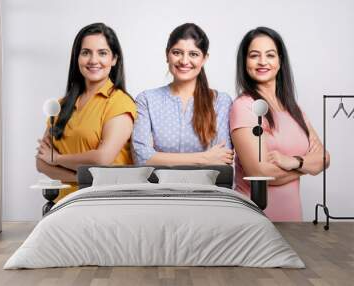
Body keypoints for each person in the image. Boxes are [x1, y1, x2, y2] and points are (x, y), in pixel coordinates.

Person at [230, 27, 330, 221]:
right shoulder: (244, 107)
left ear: (280, 60)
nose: (262, 62)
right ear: (244, 62)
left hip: (293, 221)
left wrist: (294, 161)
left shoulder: (294, 109)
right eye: (254, 55)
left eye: (270, 55)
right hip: (255, 221)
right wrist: (309, 166)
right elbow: (259, 173)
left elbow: (325, 158)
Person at [36, 23, 136, 200]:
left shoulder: (120, 103)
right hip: (65, 204)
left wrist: (58, 160)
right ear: (77, 58)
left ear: (114, 59)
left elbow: (101, 160)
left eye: (102, 53)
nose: (93, 60)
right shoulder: (61, 105)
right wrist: (81, 180)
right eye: (86, 52)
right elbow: (42, 162)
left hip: (105, 202)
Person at [132, 23, 233, 166]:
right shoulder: (147, 100)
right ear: (167, 55)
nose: (184, 61)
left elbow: (223, 159)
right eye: (177, 52)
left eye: (193, 54)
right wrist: (205, 158)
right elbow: (142, 158)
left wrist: (158, 157)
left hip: (206, 188)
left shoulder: (220, 101)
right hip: (157, 188)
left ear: (204, 58)